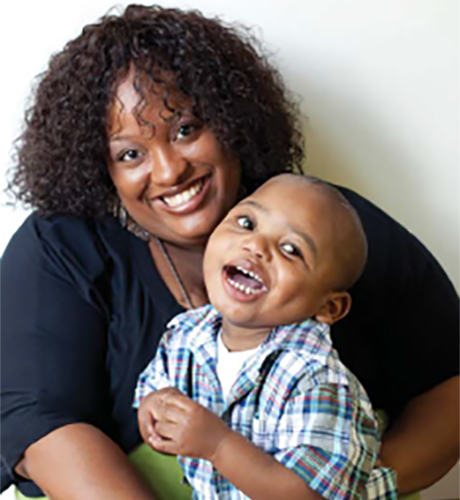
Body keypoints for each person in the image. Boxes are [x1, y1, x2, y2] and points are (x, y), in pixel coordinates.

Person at [1, 4, 458, 500]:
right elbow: (37, 423)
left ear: (230, 120)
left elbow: (450, 383)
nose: (170, 170)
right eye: (130, 153)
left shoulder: (332, 226)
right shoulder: (62, 246)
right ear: (99, 168)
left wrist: (346, 489)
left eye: (186, 129)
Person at [135, 173, 397, 500]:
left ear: (329, 306)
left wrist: (217, 445)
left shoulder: (318, 381)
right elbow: (158, 386)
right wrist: (154, 406)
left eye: (290, 249)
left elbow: (305, 495)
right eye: (246, 223)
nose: (256, 245)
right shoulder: (187, 334)